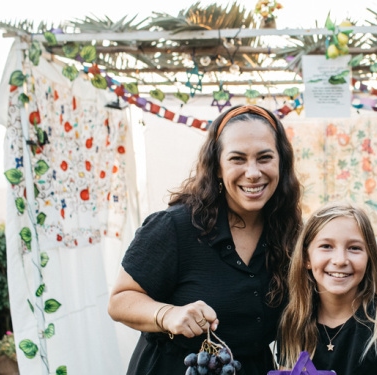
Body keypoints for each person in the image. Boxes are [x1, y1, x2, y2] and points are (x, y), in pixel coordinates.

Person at [107, 104, 302, 375]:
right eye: (237, 159)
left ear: (281, 162)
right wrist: (168, 314)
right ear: (218, 166)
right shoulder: (175, 227)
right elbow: (119, 301)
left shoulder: (290, 234)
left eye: (264, 157)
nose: (253, 172)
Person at [278, 202, 377, 375]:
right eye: (326, 246)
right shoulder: (293, 323)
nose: (340, 260)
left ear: (369, 259)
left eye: (354, 248)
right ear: (306, 258)